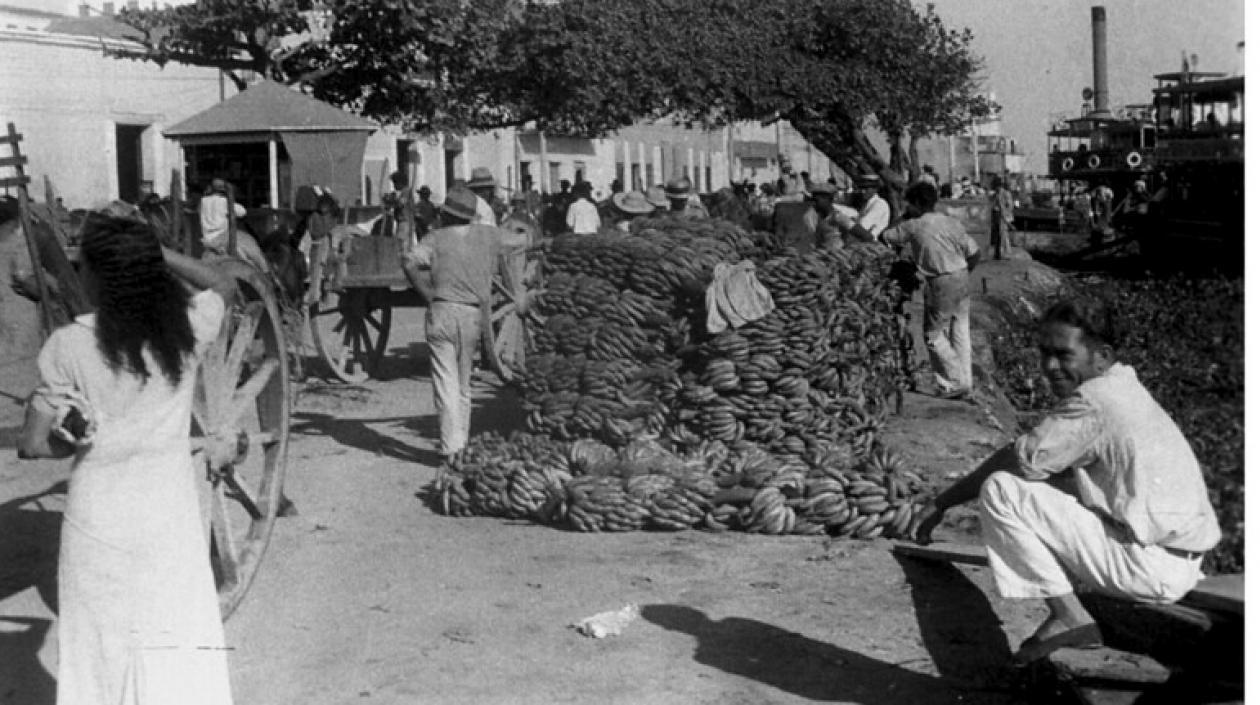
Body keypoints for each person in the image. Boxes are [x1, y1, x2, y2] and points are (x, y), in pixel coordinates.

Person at [912, 298, 1221, 665]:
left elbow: (1021, 458)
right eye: (1045, 353)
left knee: (1002, 489)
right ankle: (1074, 605)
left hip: (1148, 569)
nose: (1050, 366)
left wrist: (940, 504)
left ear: (1102, 356)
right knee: (1055, 490)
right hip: (1179, 565)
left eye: (1063, 355)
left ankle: (1068, 615)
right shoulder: (1124, 388)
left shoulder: (1094, 400)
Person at [18, 213, 237, 704]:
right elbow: (223, 283)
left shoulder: (68, 345)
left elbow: (33, 445)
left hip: (98, 524)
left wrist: (69, 437)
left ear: (95, 276)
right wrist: (156, 253)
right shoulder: (186, 329)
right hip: (169, 518)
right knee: (173, 637)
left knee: (101, 645)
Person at [400, 189, 514, 459]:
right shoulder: (488, 236)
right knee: (464, 384)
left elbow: (408, 262)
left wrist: (426, 293)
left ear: (446, 214)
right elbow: (521, 241)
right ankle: (461, 446)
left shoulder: (435, 238)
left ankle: (451, 448)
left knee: (445, 382)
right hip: (472, 315)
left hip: (441, 311)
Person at [845, 181, 979, 399]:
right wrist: (961, 273)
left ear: (917, 203)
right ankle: (966, 381)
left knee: (933, 335)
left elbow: (884, 236)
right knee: (960, 329)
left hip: (941, 280)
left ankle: (955, 382)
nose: (907, 207)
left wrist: (904, 217)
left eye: (909, 204)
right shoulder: (950, 222)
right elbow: (974, 253)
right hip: (962, 275)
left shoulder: (914, 225)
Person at [198, 178, 269, 272]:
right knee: (253, 249)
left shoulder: (203, 201)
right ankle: (265, 271)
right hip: (223, 236)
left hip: (208, 238)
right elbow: (242, 212)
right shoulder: (223, 201)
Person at [851, 174, 890, 240]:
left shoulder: (880, 204)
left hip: (873, 243)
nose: (863, 191)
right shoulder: (867, 203)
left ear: (875, 189)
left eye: (866, 188)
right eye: (861, 188)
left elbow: (862, 226)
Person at [989, 175, 1016, 260]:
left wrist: (1005, 215)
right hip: (997, 217)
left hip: (1003, 217)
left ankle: (1007, 253)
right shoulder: (996, 194)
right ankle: (997, 254)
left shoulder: (1006, 194)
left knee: (1004, 236)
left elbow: (1010, 206)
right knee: (997, 236)